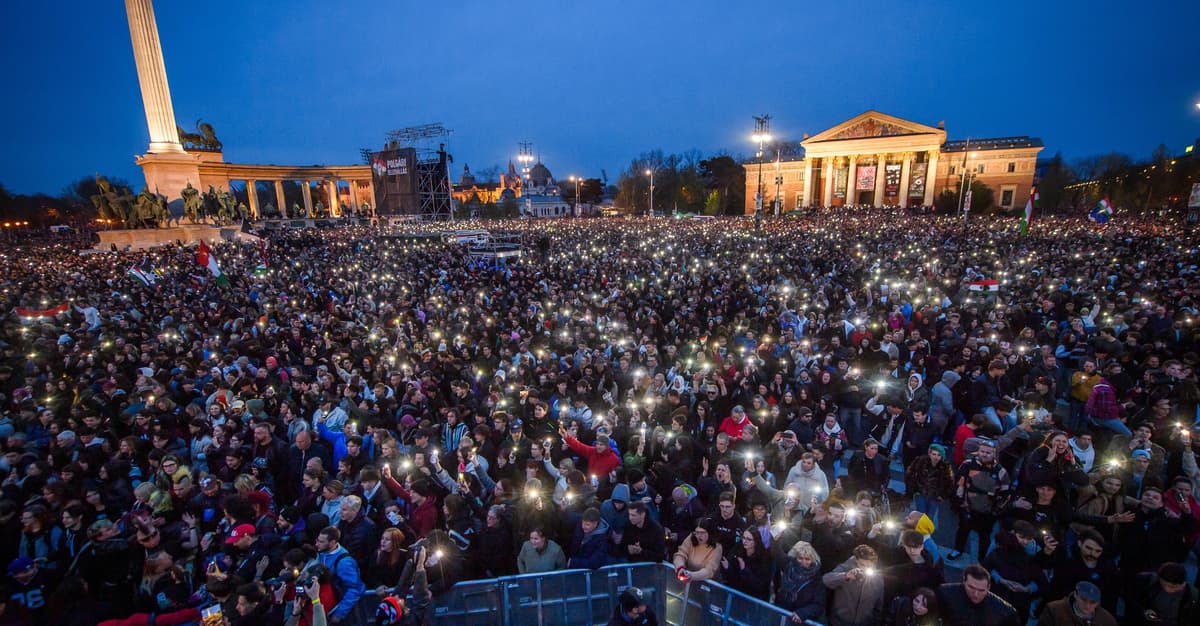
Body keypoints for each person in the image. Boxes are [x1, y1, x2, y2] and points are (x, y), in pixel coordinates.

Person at [937, 564, 1020, 626]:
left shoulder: (1004, 611)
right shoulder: (945, 593)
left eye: (981, 590)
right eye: (971, 588)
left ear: (988, 587)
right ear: (964, 581)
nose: (976, 594)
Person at [822, 544, 884, 626]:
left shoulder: (877, 579)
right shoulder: (845, 568)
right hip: (840, 622)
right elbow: (826, 580)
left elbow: (878, 605)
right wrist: (845, 576)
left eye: (869, 566)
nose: (865, 568)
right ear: (856, 561)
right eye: (862, 565)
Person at [313, 526, 365, 624]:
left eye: (321, 542)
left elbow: (355, 589)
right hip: (327, 607)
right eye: (317, 540)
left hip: (343, 613)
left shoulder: (344, 563)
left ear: (332, 542)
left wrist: (339, 613)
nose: (317, 544)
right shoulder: (322, 553)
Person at [1127, 562, 1200, 626]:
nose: (1167, 589)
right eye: (1164, 584)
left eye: (1173, 587)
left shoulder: (1193, 597)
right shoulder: (1147, 581)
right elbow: (1133, 601)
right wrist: (1144, 611)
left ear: (1184, 583)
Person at [775, 541, 826, 623]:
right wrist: (776, 539)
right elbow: (777, 553)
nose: (803, 562)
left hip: (800, 620)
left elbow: (818, 605)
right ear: (796, 558)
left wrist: (803, 612)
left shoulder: (817, 579)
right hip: (782, 614)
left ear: (812, 560)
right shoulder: (789, 566)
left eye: (807, 559)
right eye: (800, 558)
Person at [1035, 581, 1117, 626]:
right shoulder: (1054, 610)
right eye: (1084, 600)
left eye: (1092, 602)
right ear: (1075, 594)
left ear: (1098, 603)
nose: (1087, 605)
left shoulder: (1107, 620)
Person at [672, 518, 721, 583]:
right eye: (697, 532)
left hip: (706, 584)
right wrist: (680, 568)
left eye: (702, 533)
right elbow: (681, 554)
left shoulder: (717, 548)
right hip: (687, 579)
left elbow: (709, 570)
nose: (699, 536)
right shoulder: (691, 538)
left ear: (710, 532)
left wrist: (691, 575)